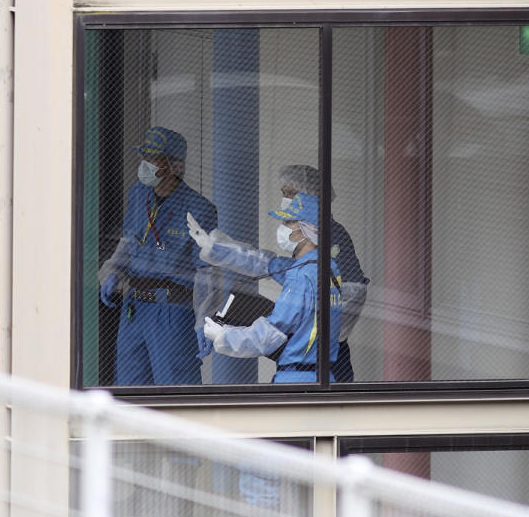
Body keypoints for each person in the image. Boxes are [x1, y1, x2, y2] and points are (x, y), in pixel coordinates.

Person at [190, 164, 368, 381]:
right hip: (315, 366)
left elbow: (275, 329)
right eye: (283, 194)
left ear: (307, 228)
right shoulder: (315, 266)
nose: (283, 226)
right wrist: (214, 248)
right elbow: (267, 264)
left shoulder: (309, 270)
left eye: (291, 194)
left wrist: (226, 337)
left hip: (310, 367)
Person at [98, 126, 218, 385]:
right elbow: (128, 242)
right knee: (130, 391)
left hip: (172, 312)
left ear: (174, 165)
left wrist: (203, 320)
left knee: (175, 392)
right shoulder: (138, 193)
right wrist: (112, 272)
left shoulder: (198, 209)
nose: (145, 165)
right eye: (144, 157)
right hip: (135, 309)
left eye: (153, 159)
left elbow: (206, 273)